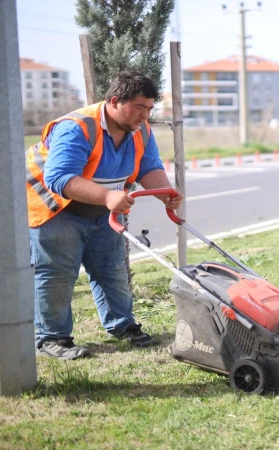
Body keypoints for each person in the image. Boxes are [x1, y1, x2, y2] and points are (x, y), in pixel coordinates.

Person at [26, 70, 182, 360]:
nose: (144, 115)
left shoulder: (142, 131)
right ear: (114, 101)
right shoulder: (77, 128)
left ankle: (122, 326)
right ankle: (52, 337)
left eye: (149, 109)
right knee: (57, 274)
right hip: (56, 209)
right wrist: (109, 196)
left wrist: (165, 194)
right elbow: (59, 177)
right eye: (139, 107)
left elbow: (149, 168)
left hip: (103, 211)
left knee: (111, 269)